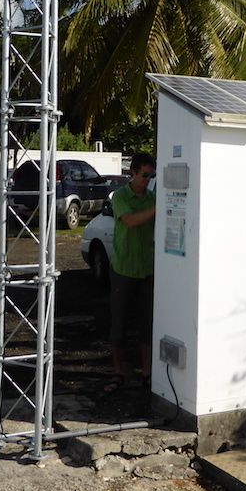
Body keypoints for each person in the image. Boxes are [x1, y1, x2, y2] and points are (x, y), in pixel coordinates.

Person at [105, 151, 156, 392]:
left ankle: (147, 372)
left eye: (150, 176)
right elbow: (130, 221)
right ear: (132, 172)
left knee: (147, 323)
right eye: (144, 175)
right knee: (119, 323)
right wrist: (158, 208)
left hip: (146, 269)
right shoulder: (120, 196)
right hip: (123, 269)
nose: (147, 180)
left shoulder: (152, 198)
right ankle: (118, 372)